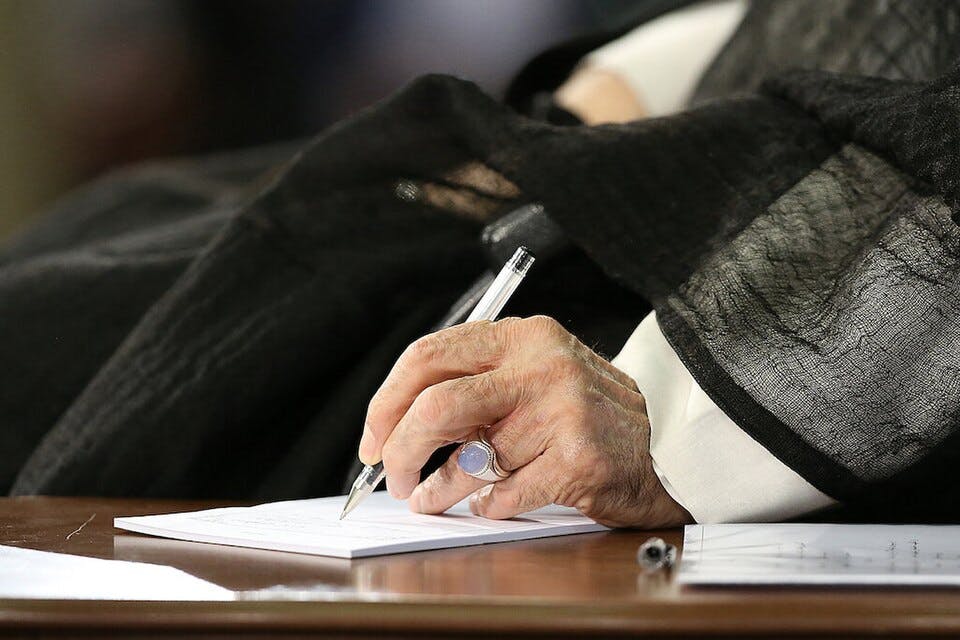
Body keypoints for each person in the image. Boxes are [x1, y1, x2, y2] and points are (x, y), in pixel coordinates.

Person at [3, 0, 960, 528]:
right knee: (105, 241)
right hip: (623, 151)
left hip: (740, 301)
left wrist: (669, 415)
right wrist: (626, 96)